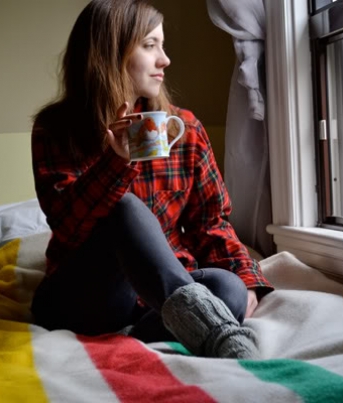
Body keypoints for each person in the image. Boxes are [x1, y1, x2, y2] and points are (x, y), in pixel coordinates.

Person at [30, 0, 274, 359]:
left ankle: (140, 336)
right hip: (87, 297)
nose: (165, 60)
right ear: (109, 52)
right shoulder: (57, 130)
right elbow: (68, 225)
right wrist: (115, 162)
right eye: (150, 45)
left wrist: (248, 280)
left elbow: (211, 223)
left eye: (163, 46)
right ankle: (220, 333)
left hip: (160, 298)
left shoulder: (183, 129)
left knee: (229, 288)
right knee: (124, 207)